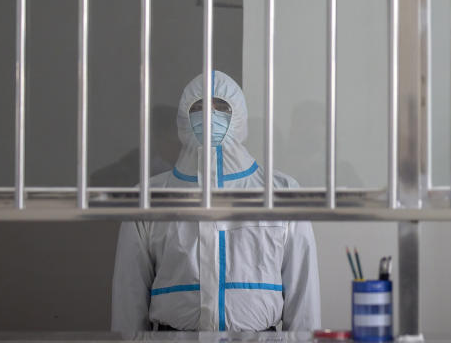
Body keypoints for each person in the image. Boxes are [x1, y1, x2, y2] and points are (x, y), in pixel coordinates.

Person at [111, 70, 321, 332]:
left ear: (240, 117)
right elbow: (129, 298)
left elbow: (303, 297)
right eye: (198, 108)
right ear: (183, 120)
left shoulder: (282, 193)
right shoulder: (149, 198)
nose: (209, 116)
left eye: (221, 107)